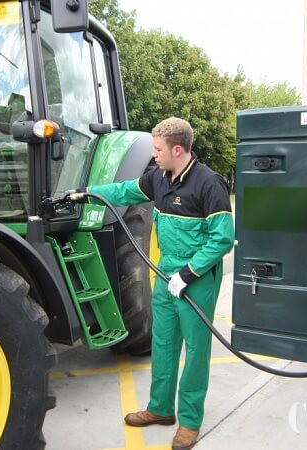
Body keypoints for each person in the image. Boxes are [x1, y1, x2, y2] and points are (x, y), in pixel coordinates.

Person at [85, 117, 234, 450]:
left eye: (157, 149)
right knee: (163, 343)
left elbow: (223, 239)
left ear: (177, 149)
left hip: (196, 278)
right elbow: (124, 190)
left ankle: (190, 422)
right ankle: (160, 409)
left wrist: (188, 274)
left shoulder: (209, 184)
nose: (153, 155)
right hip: (166, 273)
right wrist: (88, 194)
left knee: (195, 351)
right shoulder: (158, 178)